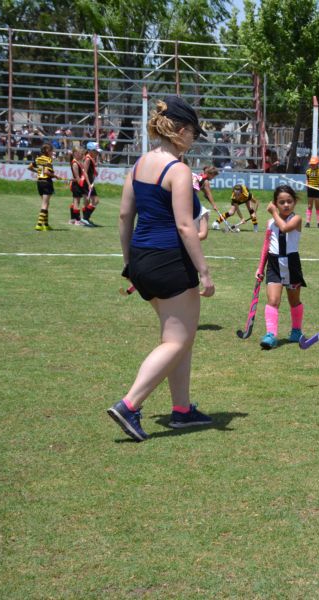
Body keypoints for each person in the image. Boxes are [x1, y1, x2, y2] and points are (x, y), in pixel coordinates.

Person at [107, 95, 214, 442]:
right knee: (177, 341)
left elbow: (125, 216)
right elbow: (186, 226)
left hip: (141, 259)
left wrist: (128, 262)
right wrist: (204, 272)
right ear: (180, 131)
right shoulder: (178, 171)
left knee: (176, 338)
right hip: (170, 261)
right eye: (194, 133)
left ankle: (181, 410)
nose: (195, 139)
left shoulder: (139, 165)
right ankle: (130, 404)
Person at [260, 185, 306, 349]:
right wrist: (260, 268)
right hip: (274, 264)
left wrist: (273, 212)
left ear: (294, 202)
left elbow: (285, 229)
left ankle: (296, 331)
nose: (286, 205)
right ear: (275, 203)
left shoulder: (296, 219)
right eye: (281, 202)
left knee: (294, 301)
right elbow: (266, 245)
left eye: (289, 201)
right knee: (273, 300)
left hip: (291, 263)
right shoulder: (270, 222)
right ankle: (271, 335)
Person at [28, 143, 57, 231]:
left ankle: (46, 225)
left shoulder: (38, 159)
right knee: (45, 204)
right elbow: (47, 172)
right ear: (48, 151)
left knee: (46, 203)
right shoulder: (48, 159)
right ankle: (39, 224)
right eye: (52, 151)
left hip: (39, 182)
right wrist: (55, 176)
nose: (53, 153)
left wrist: (38, 172)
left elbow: (29, 167)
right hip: (46, 182)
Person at [82, 141, 101, 225]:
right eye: (95, 151)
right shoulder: (88, 159)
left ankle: (86, 219)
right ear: (90, 151)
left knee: (87, 201)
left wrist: (94, 171)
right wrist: (89, 184)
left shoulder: (90, 158)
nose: (97, 153)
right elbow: (85, 172)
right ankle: (85, 218)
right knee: (95, 200)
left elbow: (89, 171)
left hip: (89, 182)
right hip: (87, 183)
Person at [68, 147, 88, 226]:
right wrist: (82, 185)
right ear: (75, 154)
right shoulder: (75, 163)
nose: (82, 155)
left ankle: (72, 219)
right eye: (81, 153)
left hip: (78, 184)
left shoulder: (79, 162)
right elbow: (77, 177)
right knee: (76, 202)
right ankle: (77, 220)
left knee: (76, 202)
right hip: (77, 185)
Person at [304, 156, 319, 228]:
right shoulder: (308, 171)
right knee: (309, 206)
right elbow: (307, 179)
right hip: (310, 190)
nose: (312, 165)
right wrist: (307, 184)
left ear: (317, 164)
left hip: (317, 190)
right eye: (311, 164)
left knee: (317, 207)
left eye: (314, 164)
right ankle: (307, 222)